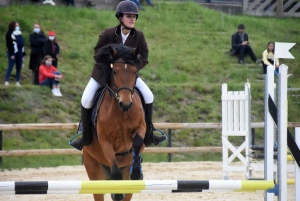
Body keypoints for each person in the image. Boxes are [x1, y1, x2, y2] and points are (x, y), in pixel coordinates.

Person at [70, 0, 167, 150]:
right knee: (86, 99)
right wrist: (109, 65)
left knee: (149, 96)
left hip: (128, 77)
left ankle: (149, 132)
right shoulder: (108, 33)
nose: (132, 19)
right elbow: (97, 53)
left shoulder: (139, 36)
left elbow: (145, 57)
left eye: (134, 16)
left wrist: (132, 69)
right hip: (103, 74)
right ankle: (85, 135)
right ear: (120, 17)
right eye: (129, 16)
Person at [5, 21, 25, 86]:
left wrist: (23, 54)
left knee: (18, 67)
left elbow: (22, 44)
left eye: (18, 26)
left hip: (19, 52)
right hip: (13, 52)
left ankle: (17, 81)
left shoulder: (19, 34)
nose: (17, 27)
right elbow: (9, 45)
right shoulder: (9, 34)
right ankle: (7, 80)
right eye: (16, 26)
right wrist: (12, 54)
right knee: (10, 66)